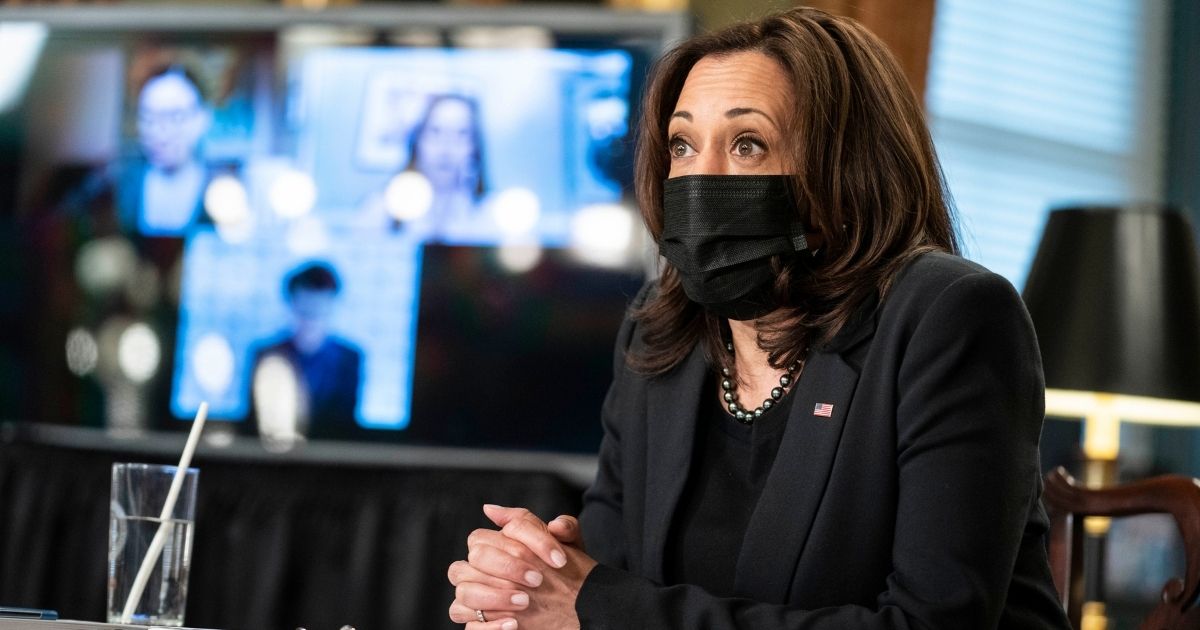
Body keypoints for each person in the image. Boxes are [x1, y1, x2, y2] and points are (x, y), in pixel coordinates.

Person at [446, 7, 1071, 630]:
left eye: (747, 145)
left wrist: (596, 605)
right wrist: (530, 585)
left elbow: (934, 624)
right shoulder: (660, 333)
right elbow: (604, 577)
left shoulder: (949, 316)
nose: (700, 179)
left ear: (846, 171)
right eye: (683, 146)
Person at [247, 261, 364, 441]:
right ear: (291, 305)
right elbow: (253, 426)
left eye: (319, 310)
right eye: (305, 310)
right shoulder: (266, 354)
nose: (311, 319)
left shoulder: (349, 359)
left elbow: (347, 429)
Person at [115, 64, 233, 237]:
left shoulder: (224, 193)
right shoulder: (121, 187)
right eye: (148, 118)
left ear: (203, 118)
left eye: (175, 117)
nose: (160, 132)